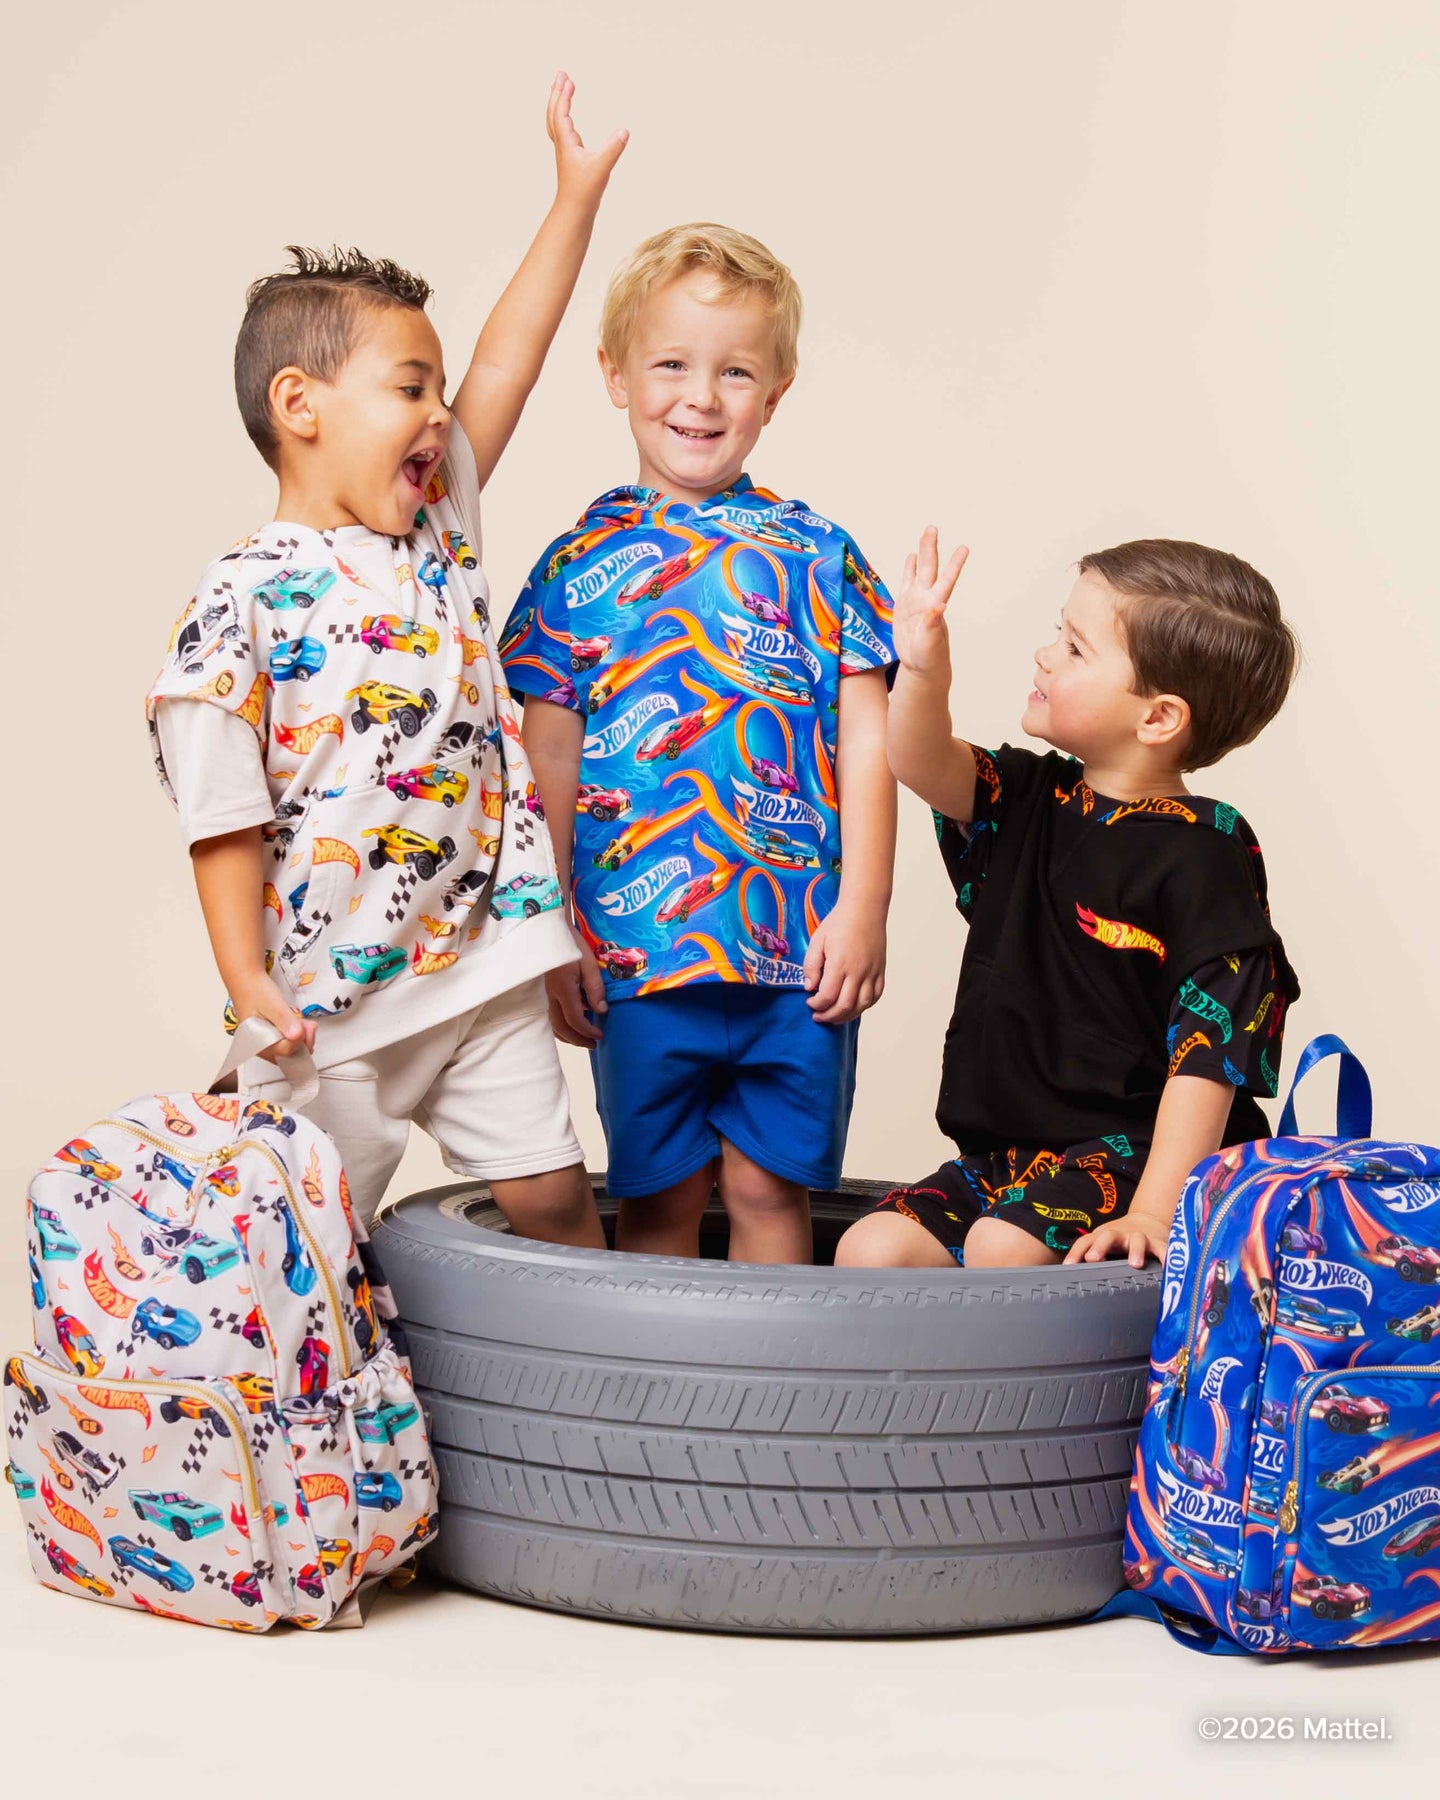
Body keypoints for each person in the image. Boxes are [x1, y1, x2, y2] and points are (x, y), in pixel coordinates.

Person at [145, 76, 626, 1240]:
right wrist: (248, 983)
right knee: (305, 1243)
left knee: (556, 1204)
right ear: (299, 404)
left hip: (481, 965)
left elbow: (508, 365)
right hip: (328, 1013)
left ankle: (565, 1368)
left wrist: (574, 196)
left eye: (438, 390)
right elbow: (222, 815)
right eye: (411, 388)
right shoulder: (240, 599)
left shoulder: (437, 529)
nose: (439, 413)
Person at [500, 223, 897, 1265]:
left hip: (798, 950)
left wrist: (864, 906)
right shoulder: (577, 568)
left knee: (769, 1188)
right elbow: (546, 763)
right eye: (671, 365)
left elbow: (869, 743)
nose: (702, 397)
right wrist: (549, 931)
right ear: (615, 375)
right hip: (635, 951)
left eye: (737, 372)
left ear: (778, 392)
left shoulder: (821, 554)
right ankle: (651, 1382)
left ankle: (778, 1382)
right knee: (661, 1195)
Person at [835, 531, 1300, 1271]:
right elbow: (918, 759)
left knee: (1003, 1249)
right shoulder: (1026, 796)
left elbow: (1211, 1053)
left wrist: (1156, 1212)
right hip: (1012, 1156)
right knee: (869, 1250)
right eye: (1059, 633)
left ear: (1158, 718)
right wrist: (921, 670)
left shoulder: (1206, 852)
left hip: (1142, 1156)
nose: (1045, 655)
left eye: (1076, 649)